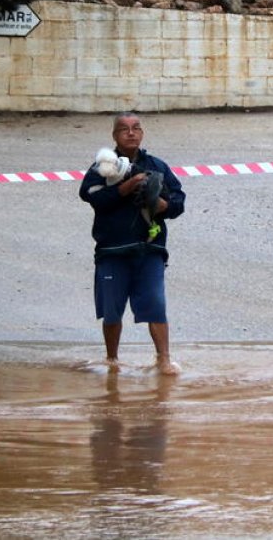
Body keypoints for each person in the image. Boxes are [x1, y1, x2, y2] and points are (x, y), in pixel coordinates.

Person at [79, 112, 186, 375]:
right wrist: (125, 188)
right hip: (112, 251)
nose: (131, 133)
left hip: (150, 249)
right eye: (124, 129)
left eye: (136, 128)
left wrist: (162, 205)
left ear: (142, 133)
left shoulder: (158, 166)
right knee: (112, 312)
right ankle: (112, 360)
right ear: (114, 136)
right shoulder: (101, 168)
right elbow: (91, 197)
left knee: (156, 305)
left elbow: (178, 201)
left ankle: (164, 360)